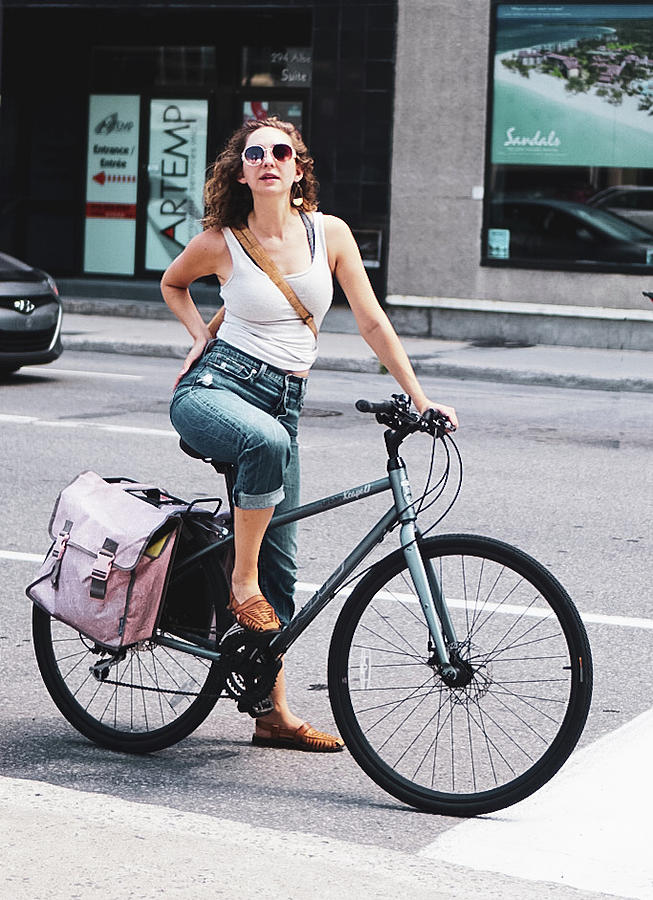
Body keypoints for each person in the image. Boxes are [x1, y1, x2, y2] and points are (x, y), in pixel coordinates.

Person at [160, 117, 458, 753]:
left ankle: (272, 714)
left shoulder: (331, 234)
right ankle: (240, 584)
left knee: (286, 568)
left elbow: (372, 320)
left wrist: (419, 395)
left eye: (281, 151)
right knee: (263, 449)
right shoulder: (221, 241)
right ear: (241, 172)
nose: (269, 159)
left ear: (298, 168)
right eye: (255, 152)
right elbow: (173, 283)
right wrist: (198, 336)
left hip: (285, 400)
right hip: (215, 391)